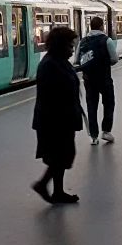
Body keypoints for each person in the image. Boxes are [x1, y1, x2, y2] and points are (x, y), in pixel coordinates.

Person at [31, 26, 83, 204]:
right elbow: (54, 96)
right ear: (60, 46)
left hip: (61, 119)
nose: (72, 49)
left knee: (61, 156)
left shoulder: (58, 61)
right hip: (54, 121)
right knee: (60, 156)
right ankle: (44, 185)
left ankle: (57, 191)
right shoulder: (50, 65)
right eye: (69, 46)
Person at [76, 17, 118, 145]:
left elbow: (77, 61)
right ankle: (106, 131)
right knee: (109, 103)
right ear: (101, 26)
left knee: (91, 106)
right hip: (104, 78)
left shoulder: (83, 41)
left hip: (89, 79)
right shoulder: (107, 40)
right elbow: (114, 59)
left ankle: (94, 136)